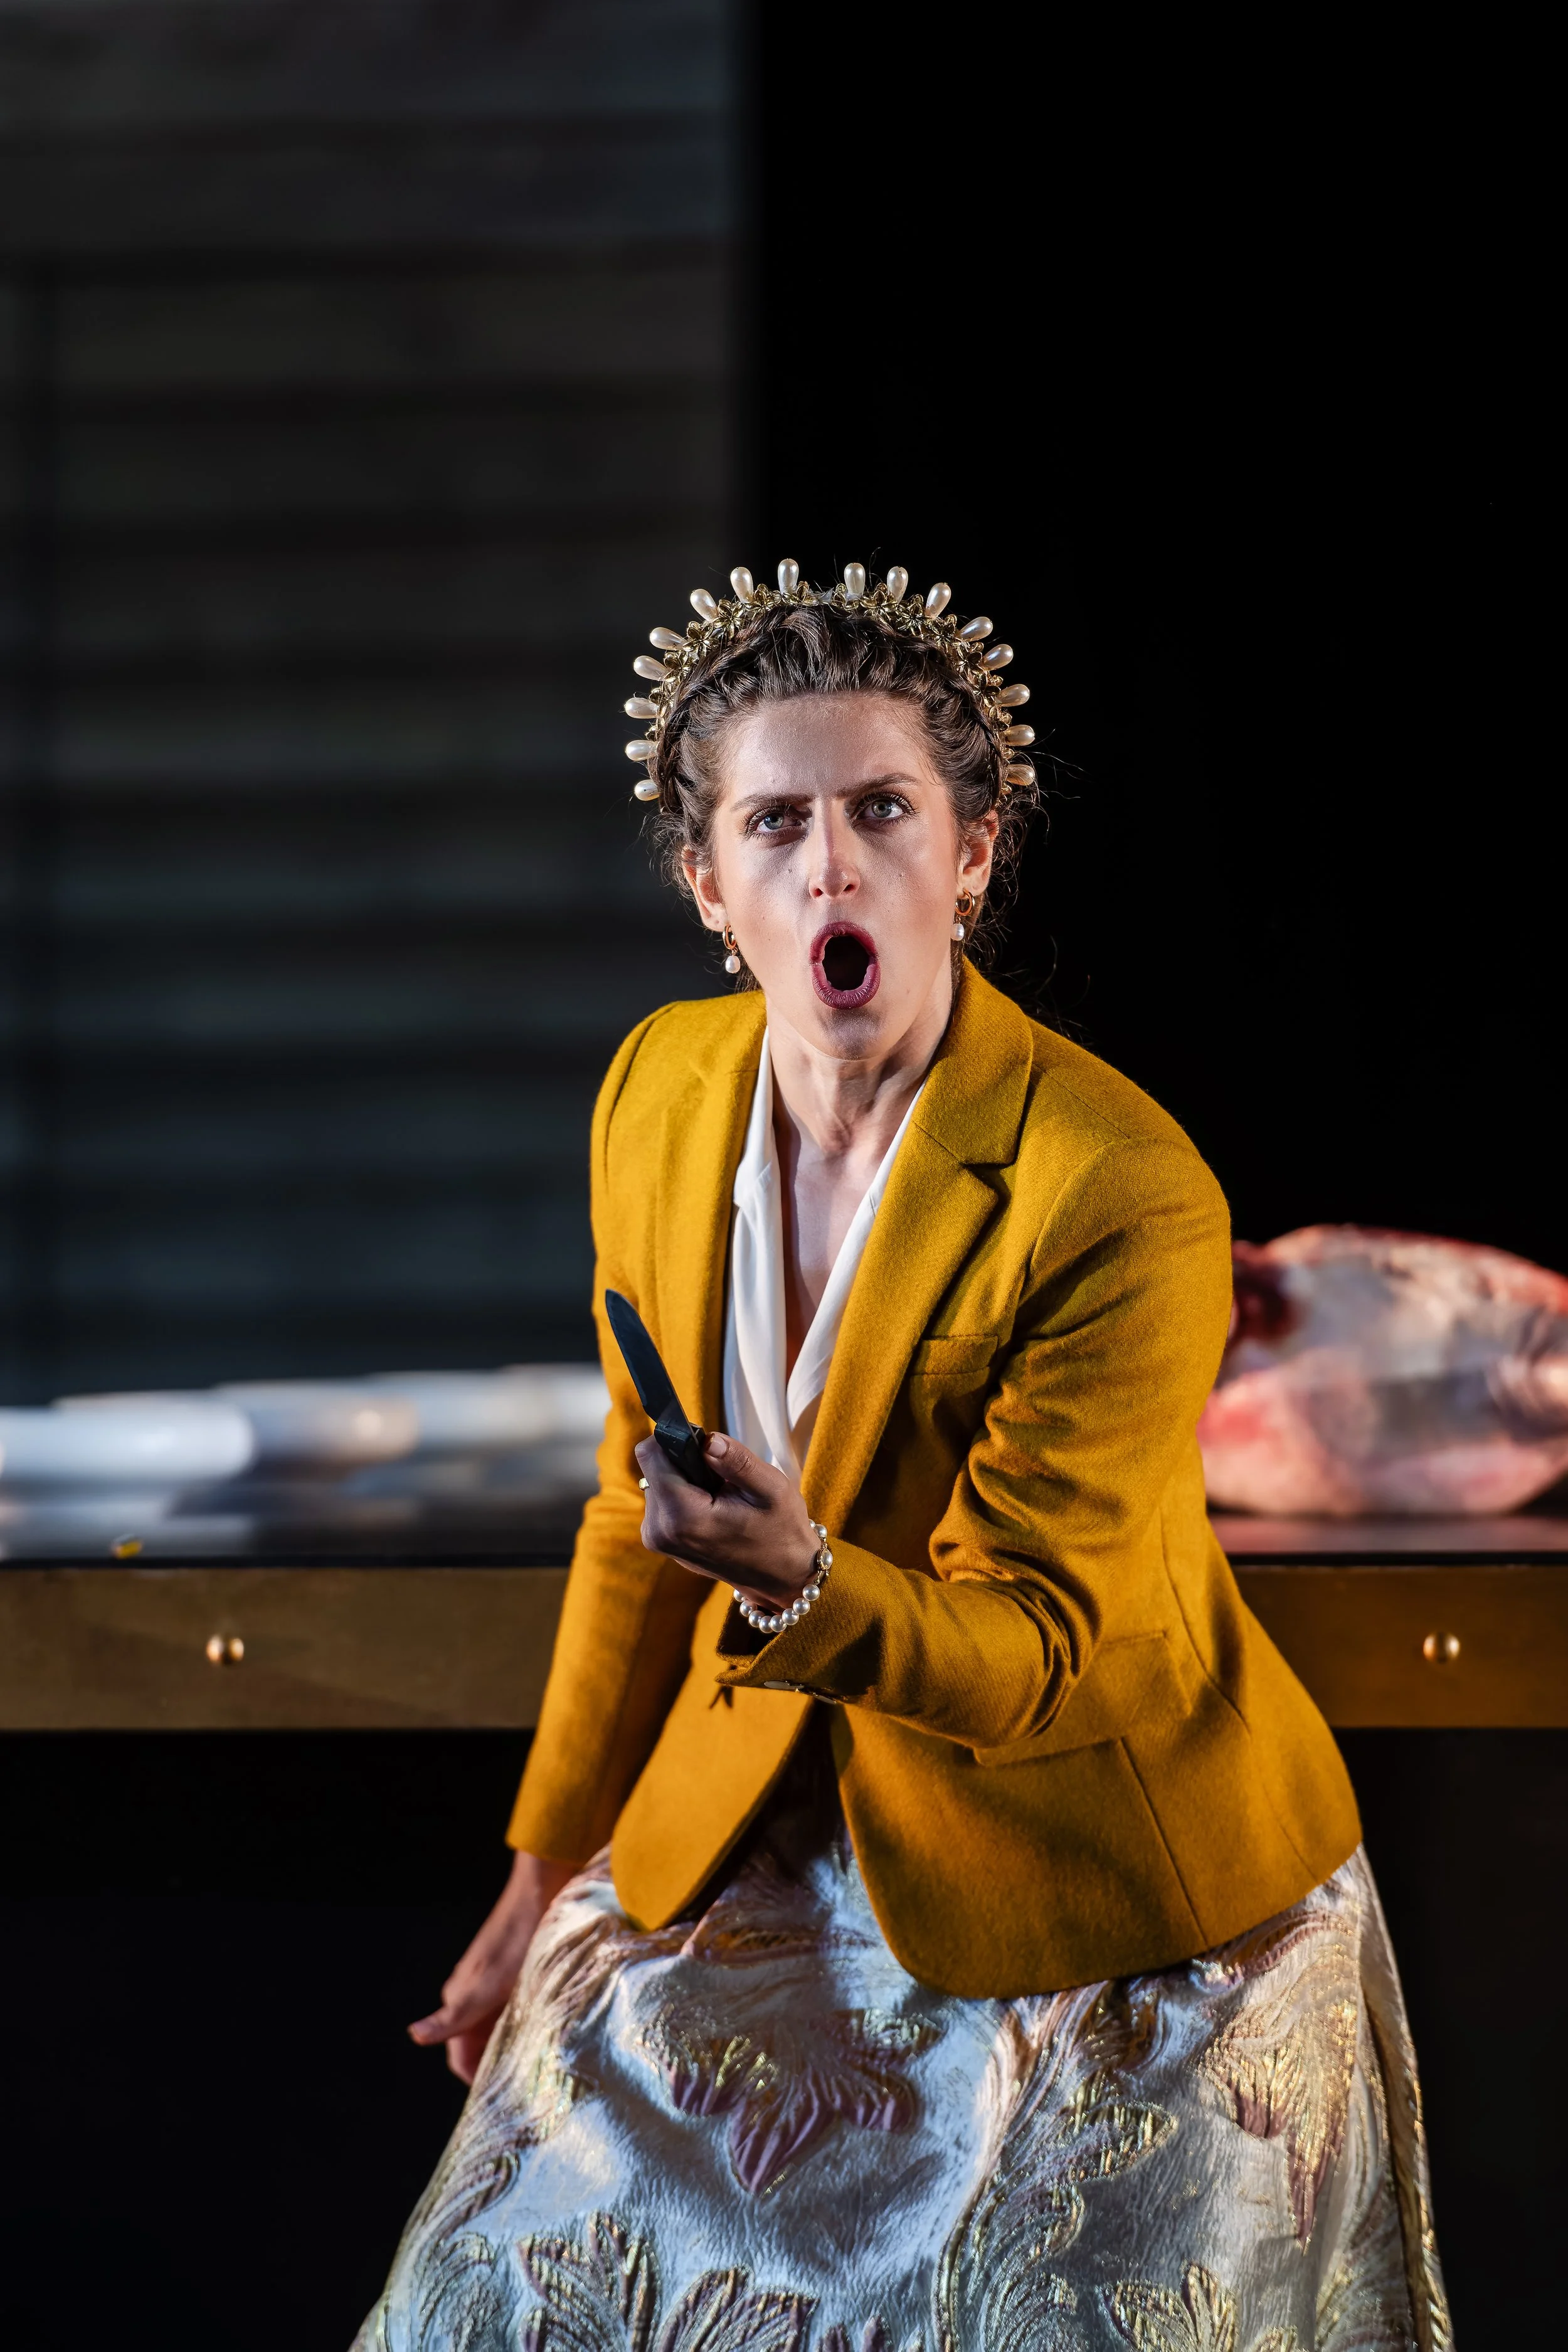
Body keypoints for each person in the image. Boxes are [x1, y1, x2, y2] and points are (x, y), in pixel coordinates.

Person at [356, 563, 1448, 2351]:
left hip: (1104, 1890)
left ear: (974, 855)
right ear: (711, 888)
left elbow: (1040, 1649)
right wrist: (536, 1875)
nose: (832, 866)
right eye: (774, 823)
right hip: (764, 1835)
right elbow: (631, 1519)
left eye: (883, 809)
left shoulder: (1117, 1187)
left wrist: (795, 1577)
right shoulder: (654, 1094)